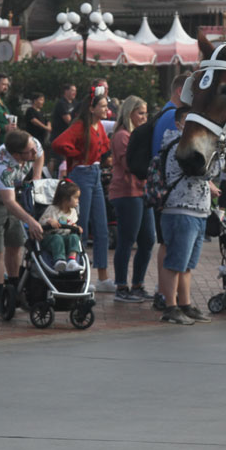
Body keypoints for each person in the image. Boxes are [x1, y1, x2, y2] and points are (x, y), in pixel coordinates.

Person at [154, 106, 219, 324]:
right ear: (180, 123)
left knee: (187, 264)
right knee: (175, 263)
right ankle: (170, 306)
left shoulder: (193, 144)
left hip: (197, 209)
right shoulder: (178, 145)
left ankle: (185, 303)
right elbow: (206, 171)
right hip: (181, 209)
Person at [51, 93, 116, 292]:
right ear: (91, 108)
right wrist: (78, 154)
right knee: (82, 224)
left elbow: (104, 145)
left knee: (101, 227)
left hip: (94, 173)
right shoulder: (80, 126)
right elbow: (58, 143)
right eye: (103, 106)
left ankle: (103, 277)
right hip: (82, 173)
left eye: (107, 106)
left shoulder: (98, 127)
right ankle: (78, 274)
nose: (106, 109)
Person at [0, 130, 45, 314]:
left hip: (14, 197)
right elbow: (8, 201)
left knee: (15, 244)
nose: (34, 153)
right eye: (29, 152)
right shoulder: (3, 165)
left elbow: (40, 153)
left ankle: (15, 287)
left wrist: (36, 177)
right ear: (16, 155)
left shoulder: (29, 144)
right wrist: (30, 220)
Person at [110, 96, 155, 302]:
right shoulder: (122, 136)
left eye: (146, 113)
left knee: (147, 240)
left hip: (141, 192)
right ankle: (121, 286)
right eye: (140, 113)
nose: (144, 117)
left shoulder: (138, 135)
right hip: (126, 193)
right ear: (130, 114)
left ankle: (137, 284)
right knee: (127, 240)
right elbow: (130, 164)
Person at [150, 73, 190, 308]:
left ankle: (166, 292)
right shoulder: (171, 118)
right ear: (180, 91)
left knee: (168, 244)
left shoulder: (166, 114)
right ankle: (166, 294)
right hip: (169, 193)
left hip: (165, 190)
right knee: (168, 245)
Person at [39, 180, 85, 272]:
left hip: (66, 238)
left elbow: (71, 224)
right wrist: (49, 221)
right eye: (76, 198)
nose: (78, 201)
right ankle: (59, 260)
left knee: (74, 237)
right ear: (65, 199)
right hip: (51, 239)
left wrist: (76, 227)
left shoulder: (73, 212)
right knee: (57, 238)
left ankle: (72, 261)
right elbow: (40, 222)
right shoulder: (52, 209)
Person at [49, 83, 77, 175]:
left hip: (69, 138)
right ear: (66, 91)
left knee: (66, 159)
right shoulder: (62, 103)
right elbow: (68, 120)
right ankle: (51, 176)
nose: (74, 93)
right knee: (57, 159)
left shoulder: (74, 103)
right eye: (72, 90)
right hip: (58, 136)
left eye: (75, 91)